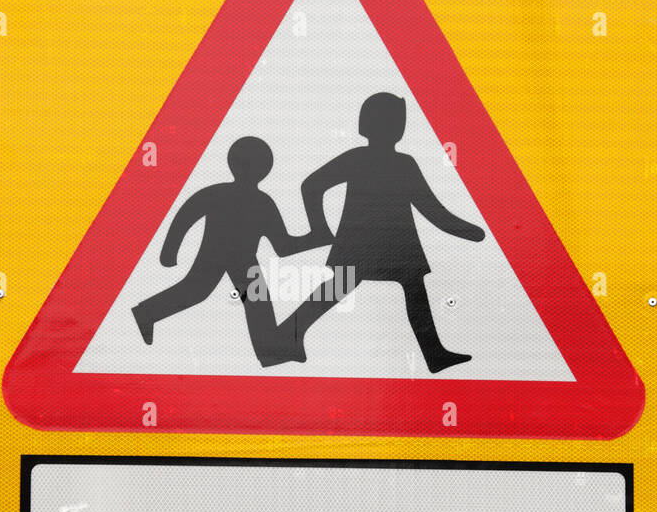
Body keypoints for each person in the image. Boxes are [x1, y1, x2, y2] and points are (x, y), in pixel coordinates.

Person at [283, 91, 485, 373]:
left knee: (358, 289)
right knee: (354, 289)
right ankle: (288, 335)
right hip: (385, 244)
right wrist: (468, 231)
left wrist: (467, 230)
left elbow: (431, 209)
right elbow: (311, 185)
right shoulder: (394, 162)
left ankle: (434, 354)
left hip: (382, 244)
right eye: (397, 121)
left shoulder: (391, 162)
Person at [132, 136, 319, 366]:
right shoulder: (242, 198)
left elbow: (282, 246)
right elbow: (186, 216)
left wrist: (316, 239)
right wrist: (169, 252)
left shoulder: (258, 202)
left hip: (241, 259)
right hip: (215, 255)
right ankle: (145, 313)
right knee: (198, 292)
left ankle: (269, 352)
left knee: (254, 302)